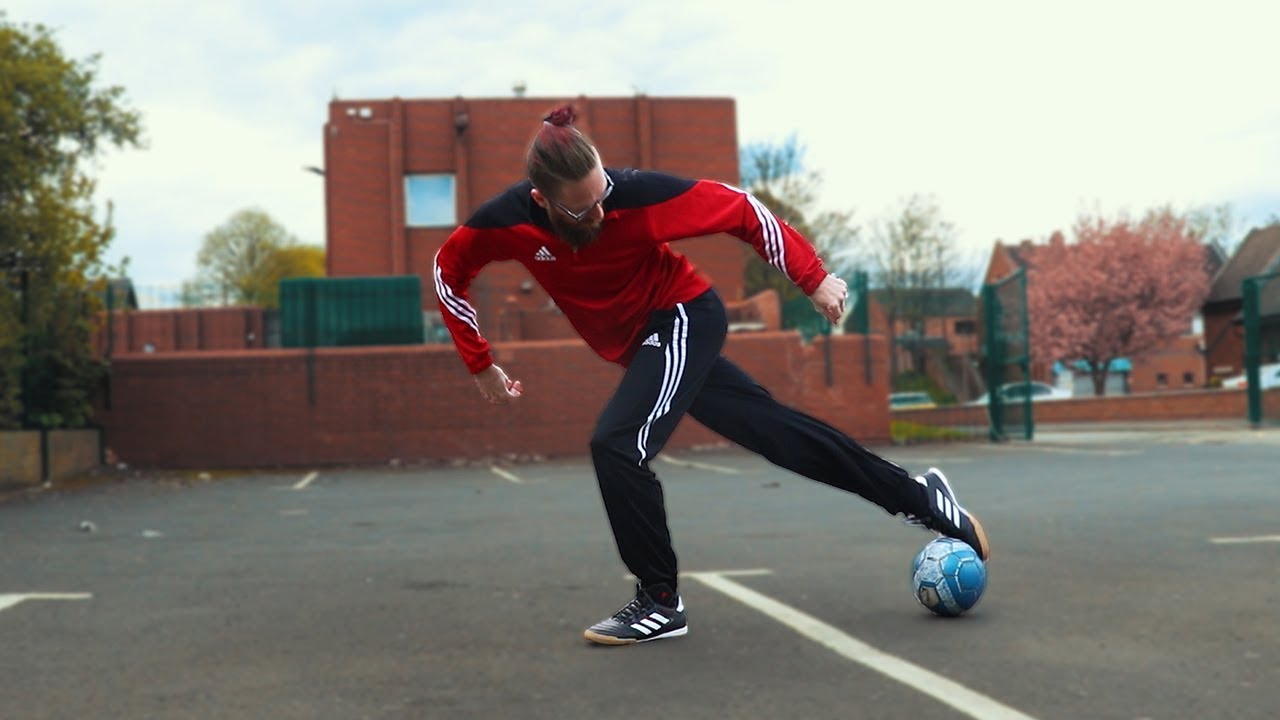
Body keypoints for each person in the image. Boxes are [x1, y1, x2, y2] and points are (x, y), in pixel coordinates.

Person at [433, 105, 989, 646]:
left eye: (601, 195)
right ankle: (922, 498)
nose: (600, 213)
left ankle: (659, 602)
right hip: (645, 345)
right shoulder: (506, 220)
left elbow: (743, 209)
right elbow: (447, 269)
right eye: (581, 210)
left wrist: (812, 278)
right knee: (777, 434)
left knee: (618, 445)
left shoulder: (638, 195)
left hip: (679, 316)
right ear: (542, 202)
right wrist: (479, 363)